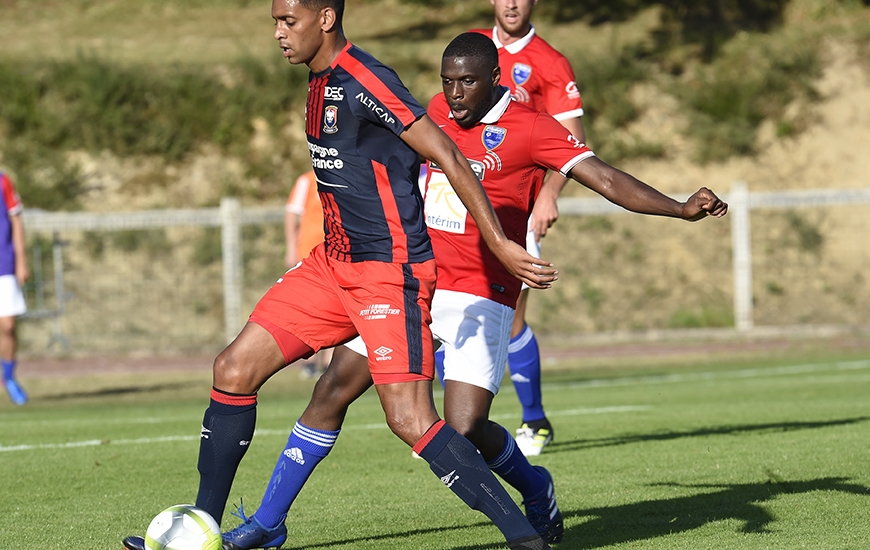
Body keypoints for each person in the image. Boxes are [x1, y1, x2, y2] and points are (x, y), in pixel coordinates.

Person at [229, 31, 728, 549]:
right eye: (448, 82)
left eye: (467, 82)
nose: (456, 94)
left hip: (482, 290)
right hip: (408, 280)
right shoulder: (432, 114)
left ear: (495, 78)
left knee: (464, 427)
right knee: (332, 390)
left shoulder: (533, 129)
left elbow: (604, 178)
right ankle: (267, 523)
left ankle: (535, 486)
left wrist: (679, 206)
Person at [122, 1, 557, 550]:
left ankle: (525, 539)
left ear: (325, 18)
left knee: (411, 419)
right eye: (276, 21)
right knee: (233, 368)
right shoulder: (317, 79)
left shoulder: (365, 77)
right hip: (332, 262)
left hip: (388, 271)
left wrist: (498, 240)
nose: (279, 33)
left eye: (289, 21)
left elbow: (445, 150)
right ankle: (201, 531)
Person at [463, 0, 587, 456]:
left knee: (511, 316)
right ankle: (445, 425)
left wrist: (551, 194)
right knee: (439, 307)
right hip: (460, 206)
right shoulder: (473, 49)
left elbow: (573, 143)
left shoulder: (550, 63)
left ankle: (533, 420)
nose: (512, 2)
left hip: (517, 208)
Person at [283, 169, 332, 379]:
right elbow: (291, 214)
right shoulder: (306, 180)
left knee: (333, 306)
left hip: (334, 252)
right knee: (310, 307)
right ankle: (310, 360)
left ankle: (329, 361)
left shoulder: (339, 175)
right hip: (309, 253)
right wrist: (291, 248)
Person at [0, 170, 30, 406]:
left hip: (5, 264)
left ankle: (9, 378)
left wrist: (21, 260)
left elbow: (16, 221)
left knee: (8, 326)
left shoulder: (3, 181)